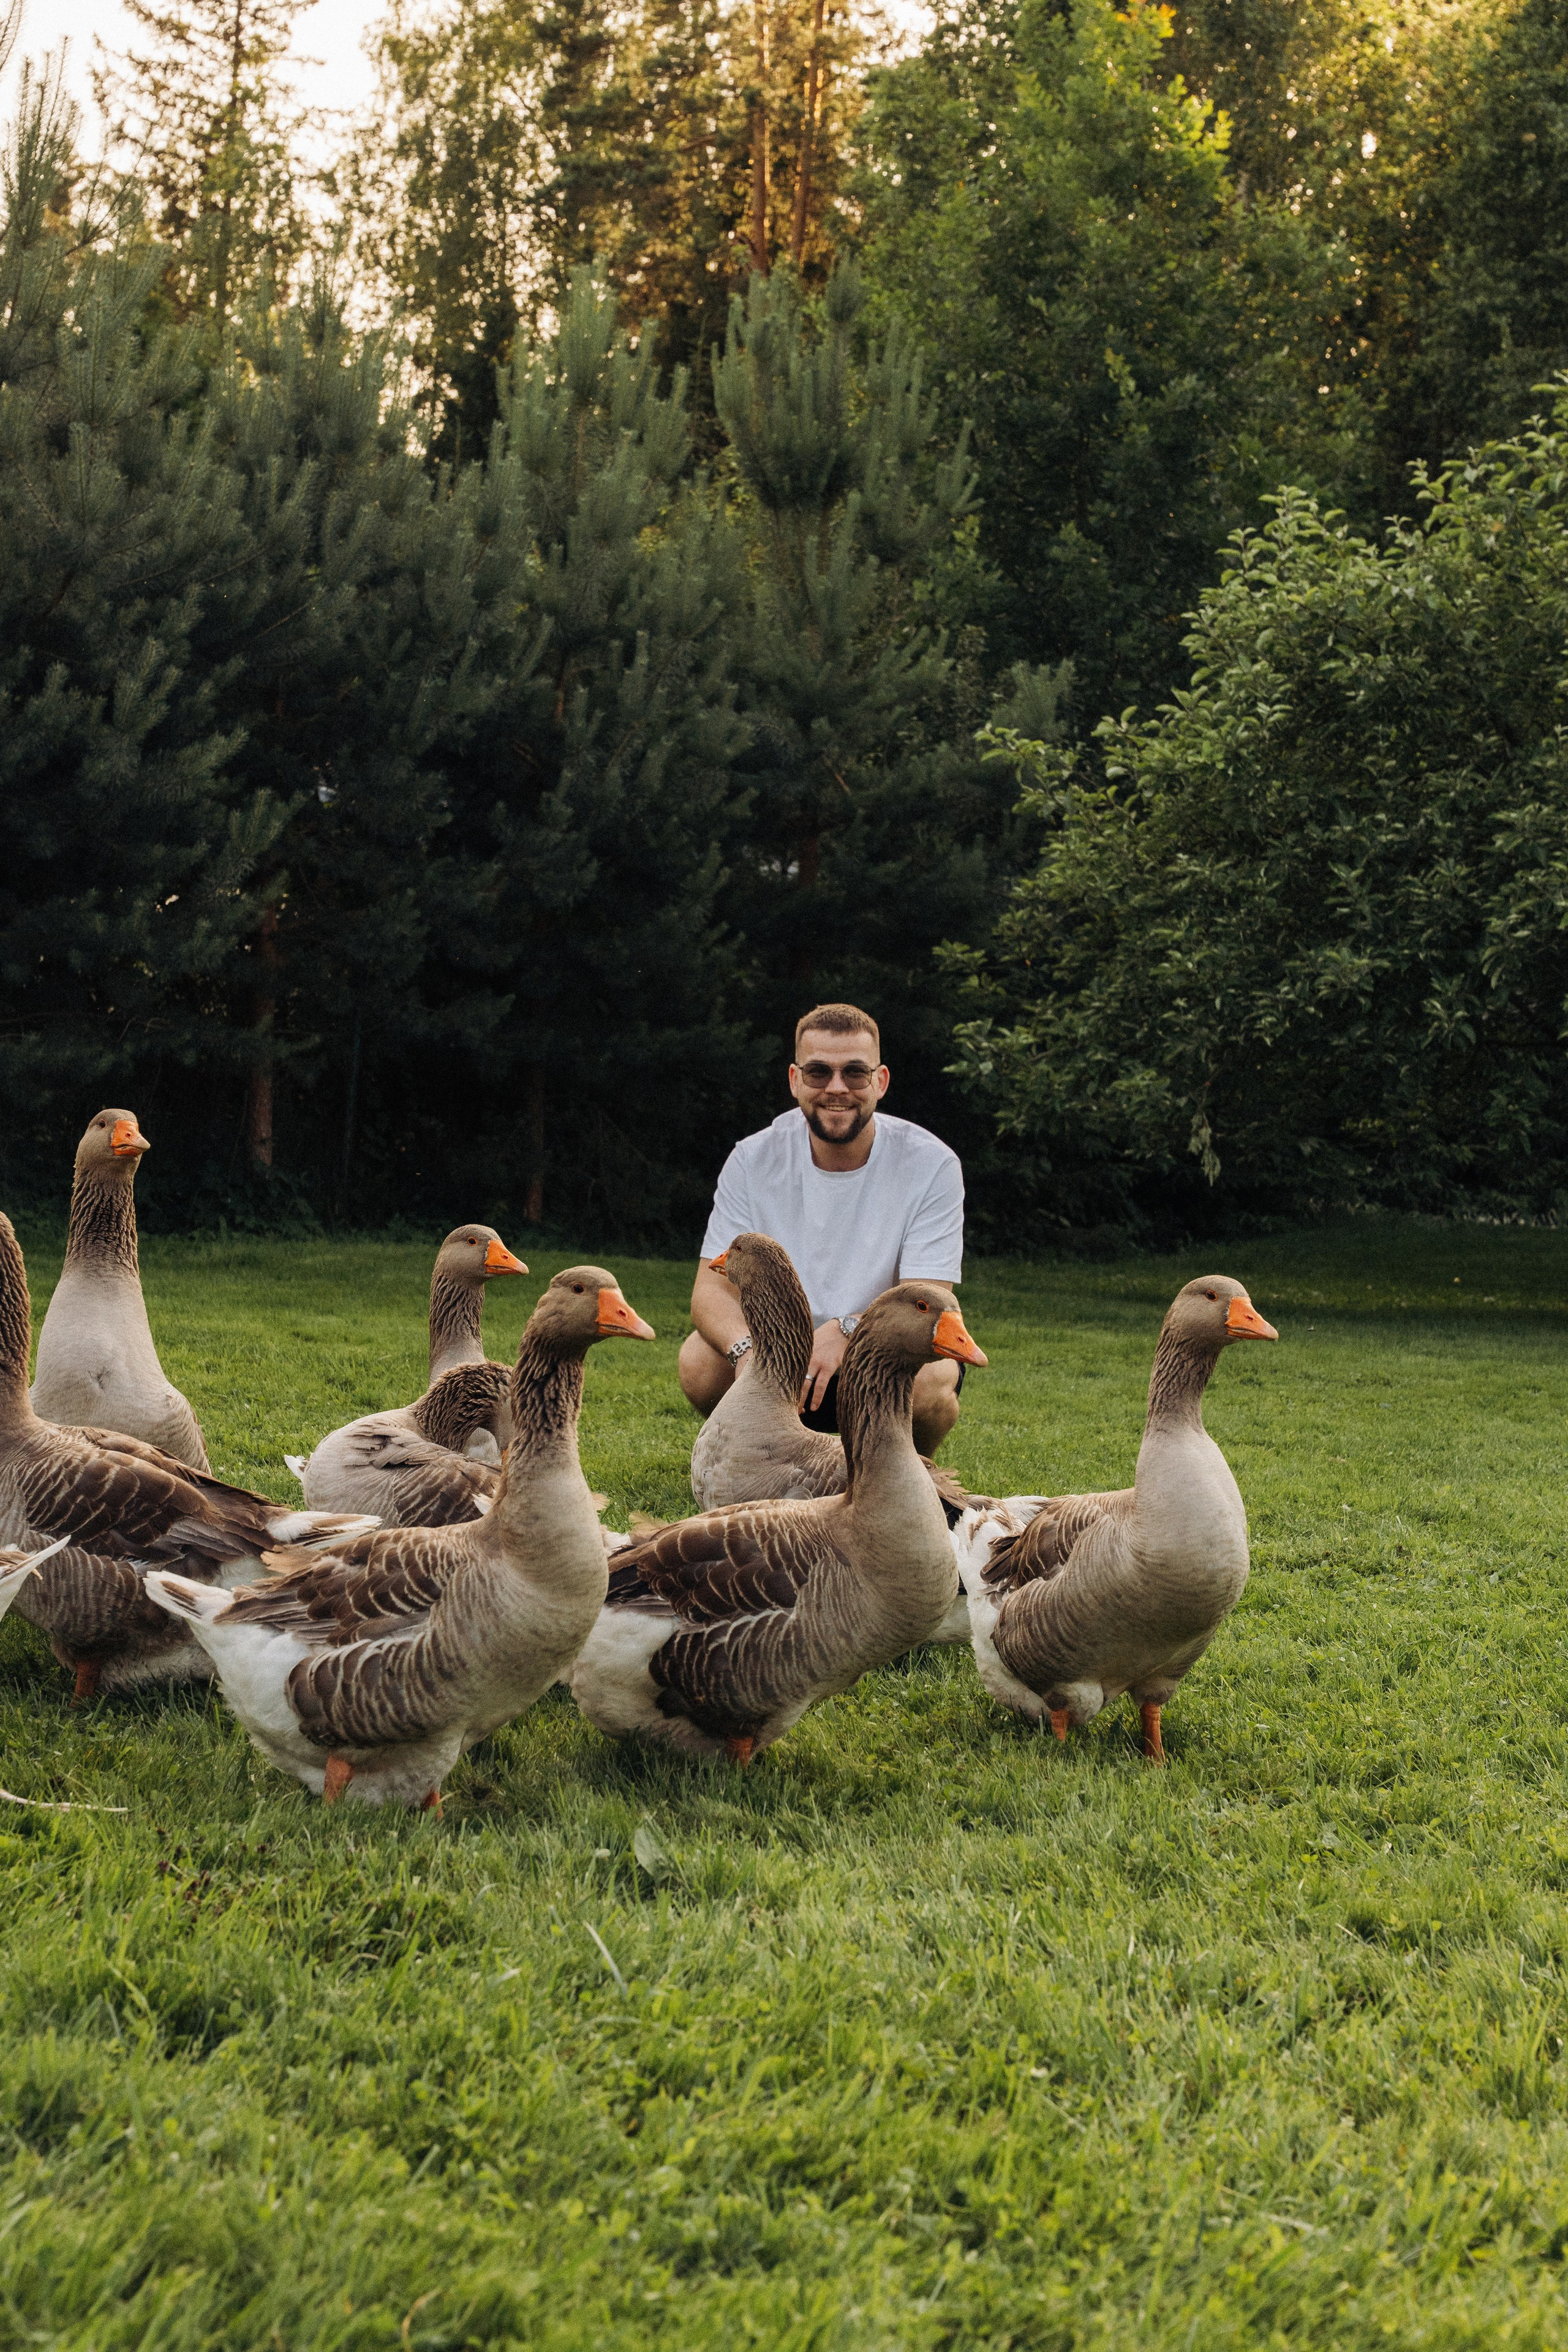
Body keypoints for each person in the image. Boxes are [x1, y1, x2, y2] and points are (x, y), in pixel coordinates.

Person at [680, 1002, 967, 1457]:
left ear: (880, 1081)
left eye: (855, 1073)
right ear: (795, 1080)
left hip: (876, 1354)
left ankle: (908, 1473)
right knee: (698, 1360)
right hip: (776, 1355)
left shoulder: (931, 1164)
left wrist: (848, 1329)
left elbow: (926, 1298)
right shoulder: (753, 1159)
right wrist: (749, 1354)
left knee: (933, 1377)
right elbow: (711, 1293)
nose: (837, 1089)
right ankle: (768, 1462)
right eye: (818, 1073)